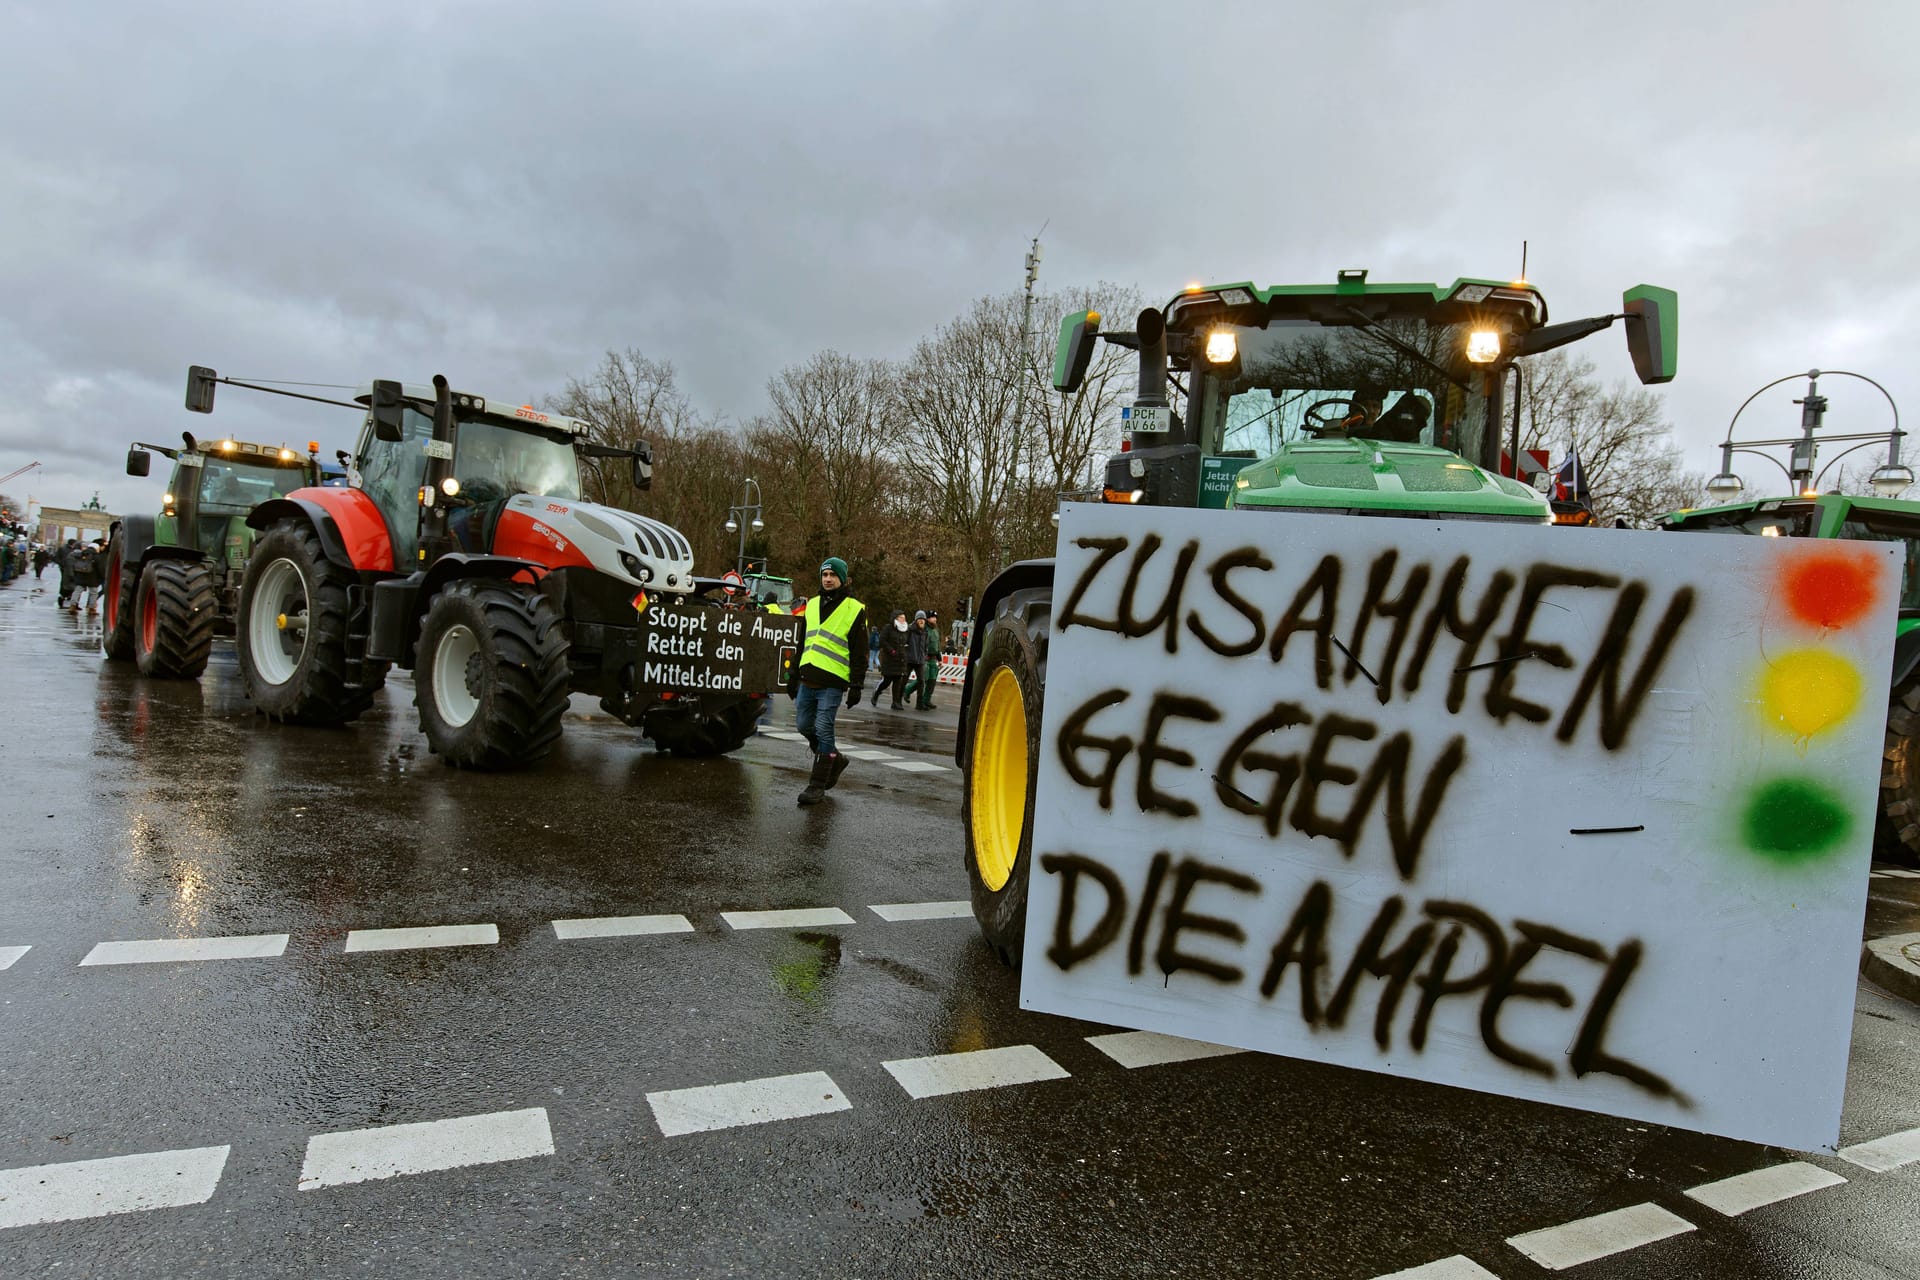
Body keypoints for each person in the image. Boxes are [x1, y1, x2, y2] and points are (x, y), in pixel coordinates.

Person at [789, 557, 867, 806]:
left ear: (843, 579)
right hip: (807, 678)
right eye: (824, 575)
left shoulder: (854, 608)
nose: (828, 579)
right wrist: (792, 675)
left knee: (823, 729)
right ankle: (834, 758)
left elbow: (859, 652)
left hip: (833, 681)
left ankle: (817, 785)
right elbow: (802, 642)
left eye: (833, 575)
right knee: (803, 725)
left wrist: (856, 685)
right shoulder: (811, 605)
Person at [871, 610, 912, 709]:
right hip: (889, 658)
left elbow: (908, 641)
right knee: (887, 680)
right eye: (901, 618)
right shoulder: (888, 628)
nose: (903, 620)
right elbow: (882, 640)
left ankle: (895, 702)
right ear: (896, 618)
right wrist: (891, 650)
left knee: (898, 681)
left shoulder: (906, 629)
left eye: (904, 618)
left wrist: (905, 651)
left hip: (901, 659)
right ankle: (876, 693)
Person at [918, 609, 943, 709]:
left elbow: (937, 646)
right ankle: (907, 691)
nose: (935, 619)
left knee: (932, 681)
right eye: (933, 617)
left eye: (935, 617)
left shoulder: (936, 631)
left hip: (933, 659)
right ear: (928, 618)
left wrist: (939, 659)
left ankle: (927, 700)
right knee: (924, 679)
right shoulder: (925, 630)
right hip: (925, 658)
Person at [75, 538, 104, 613]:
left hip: (81, 575)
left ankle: (72, 605)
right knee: (93, 593)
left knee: (77, 591)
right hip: (92, 577)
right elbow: (100, 567)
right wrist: (102, 576)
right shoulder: (97, 556)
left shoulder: (81, 554)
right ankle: (91, 608)